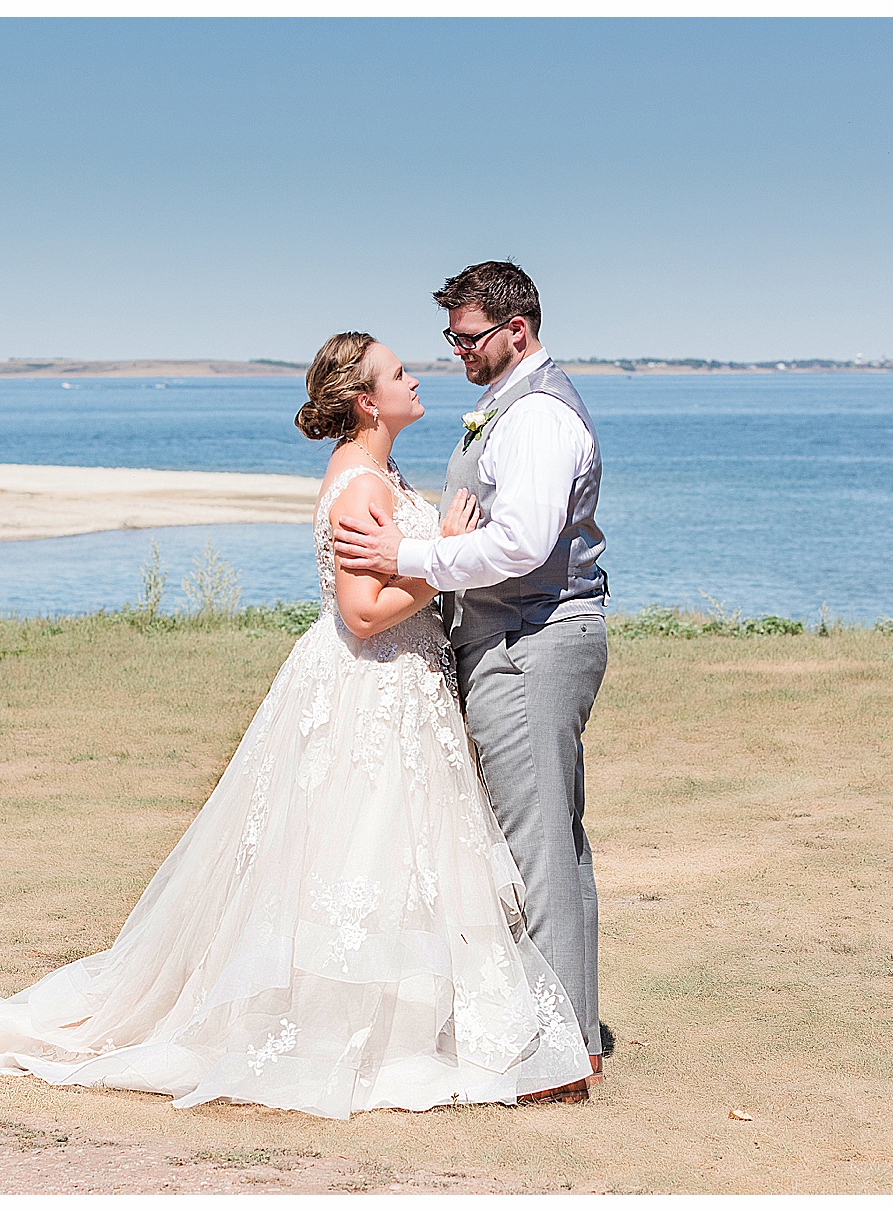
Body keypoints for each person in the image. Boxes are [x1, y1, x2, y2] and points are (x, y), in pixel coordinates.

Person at [0, 332, 593, 1119]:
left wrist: (428, 545)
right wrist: (439, 556)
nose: (416, 379)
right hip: (373, 681)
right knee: (359, 849)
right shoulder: (360, 485)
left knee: (393, 857)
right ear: (367, 400)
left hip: (405, 687)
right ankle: (347, 1028)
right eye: (400, 371)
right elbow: (364, 613)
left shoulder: (380, 474)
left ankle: (409, 1022)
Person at [334, 261, 612, 1092]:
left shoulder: (536, 419)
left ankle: (557, 1058)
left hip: (530, 639)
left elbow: (524, 545)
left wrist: (409, 555)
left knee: (537, 845)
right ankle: (574, 1037)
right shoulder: (510, 409)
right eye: (450, 337)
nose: (454, 351)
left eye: (466, 337)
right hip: (516, 635)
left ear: (515, 332)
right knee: (553, 837)